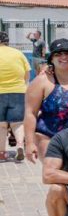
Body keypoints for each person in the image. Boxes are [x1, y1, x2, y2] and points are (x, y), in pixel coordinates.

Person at [23, 38, 68, 163]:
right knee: (55, 176)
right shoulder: (42, 81)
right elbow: (30, 113)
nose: (63, 57)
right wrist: (29, 143)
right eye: (58, 54)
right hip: (49, 138)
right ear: (51, 59)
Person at [0, 31, 30, 162]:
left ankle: (2, 153)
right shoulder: (18, 54)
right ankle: (19, 145)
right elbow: (27, 73)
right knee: (17, 123)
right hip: (18, 91)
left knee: (1, 125)